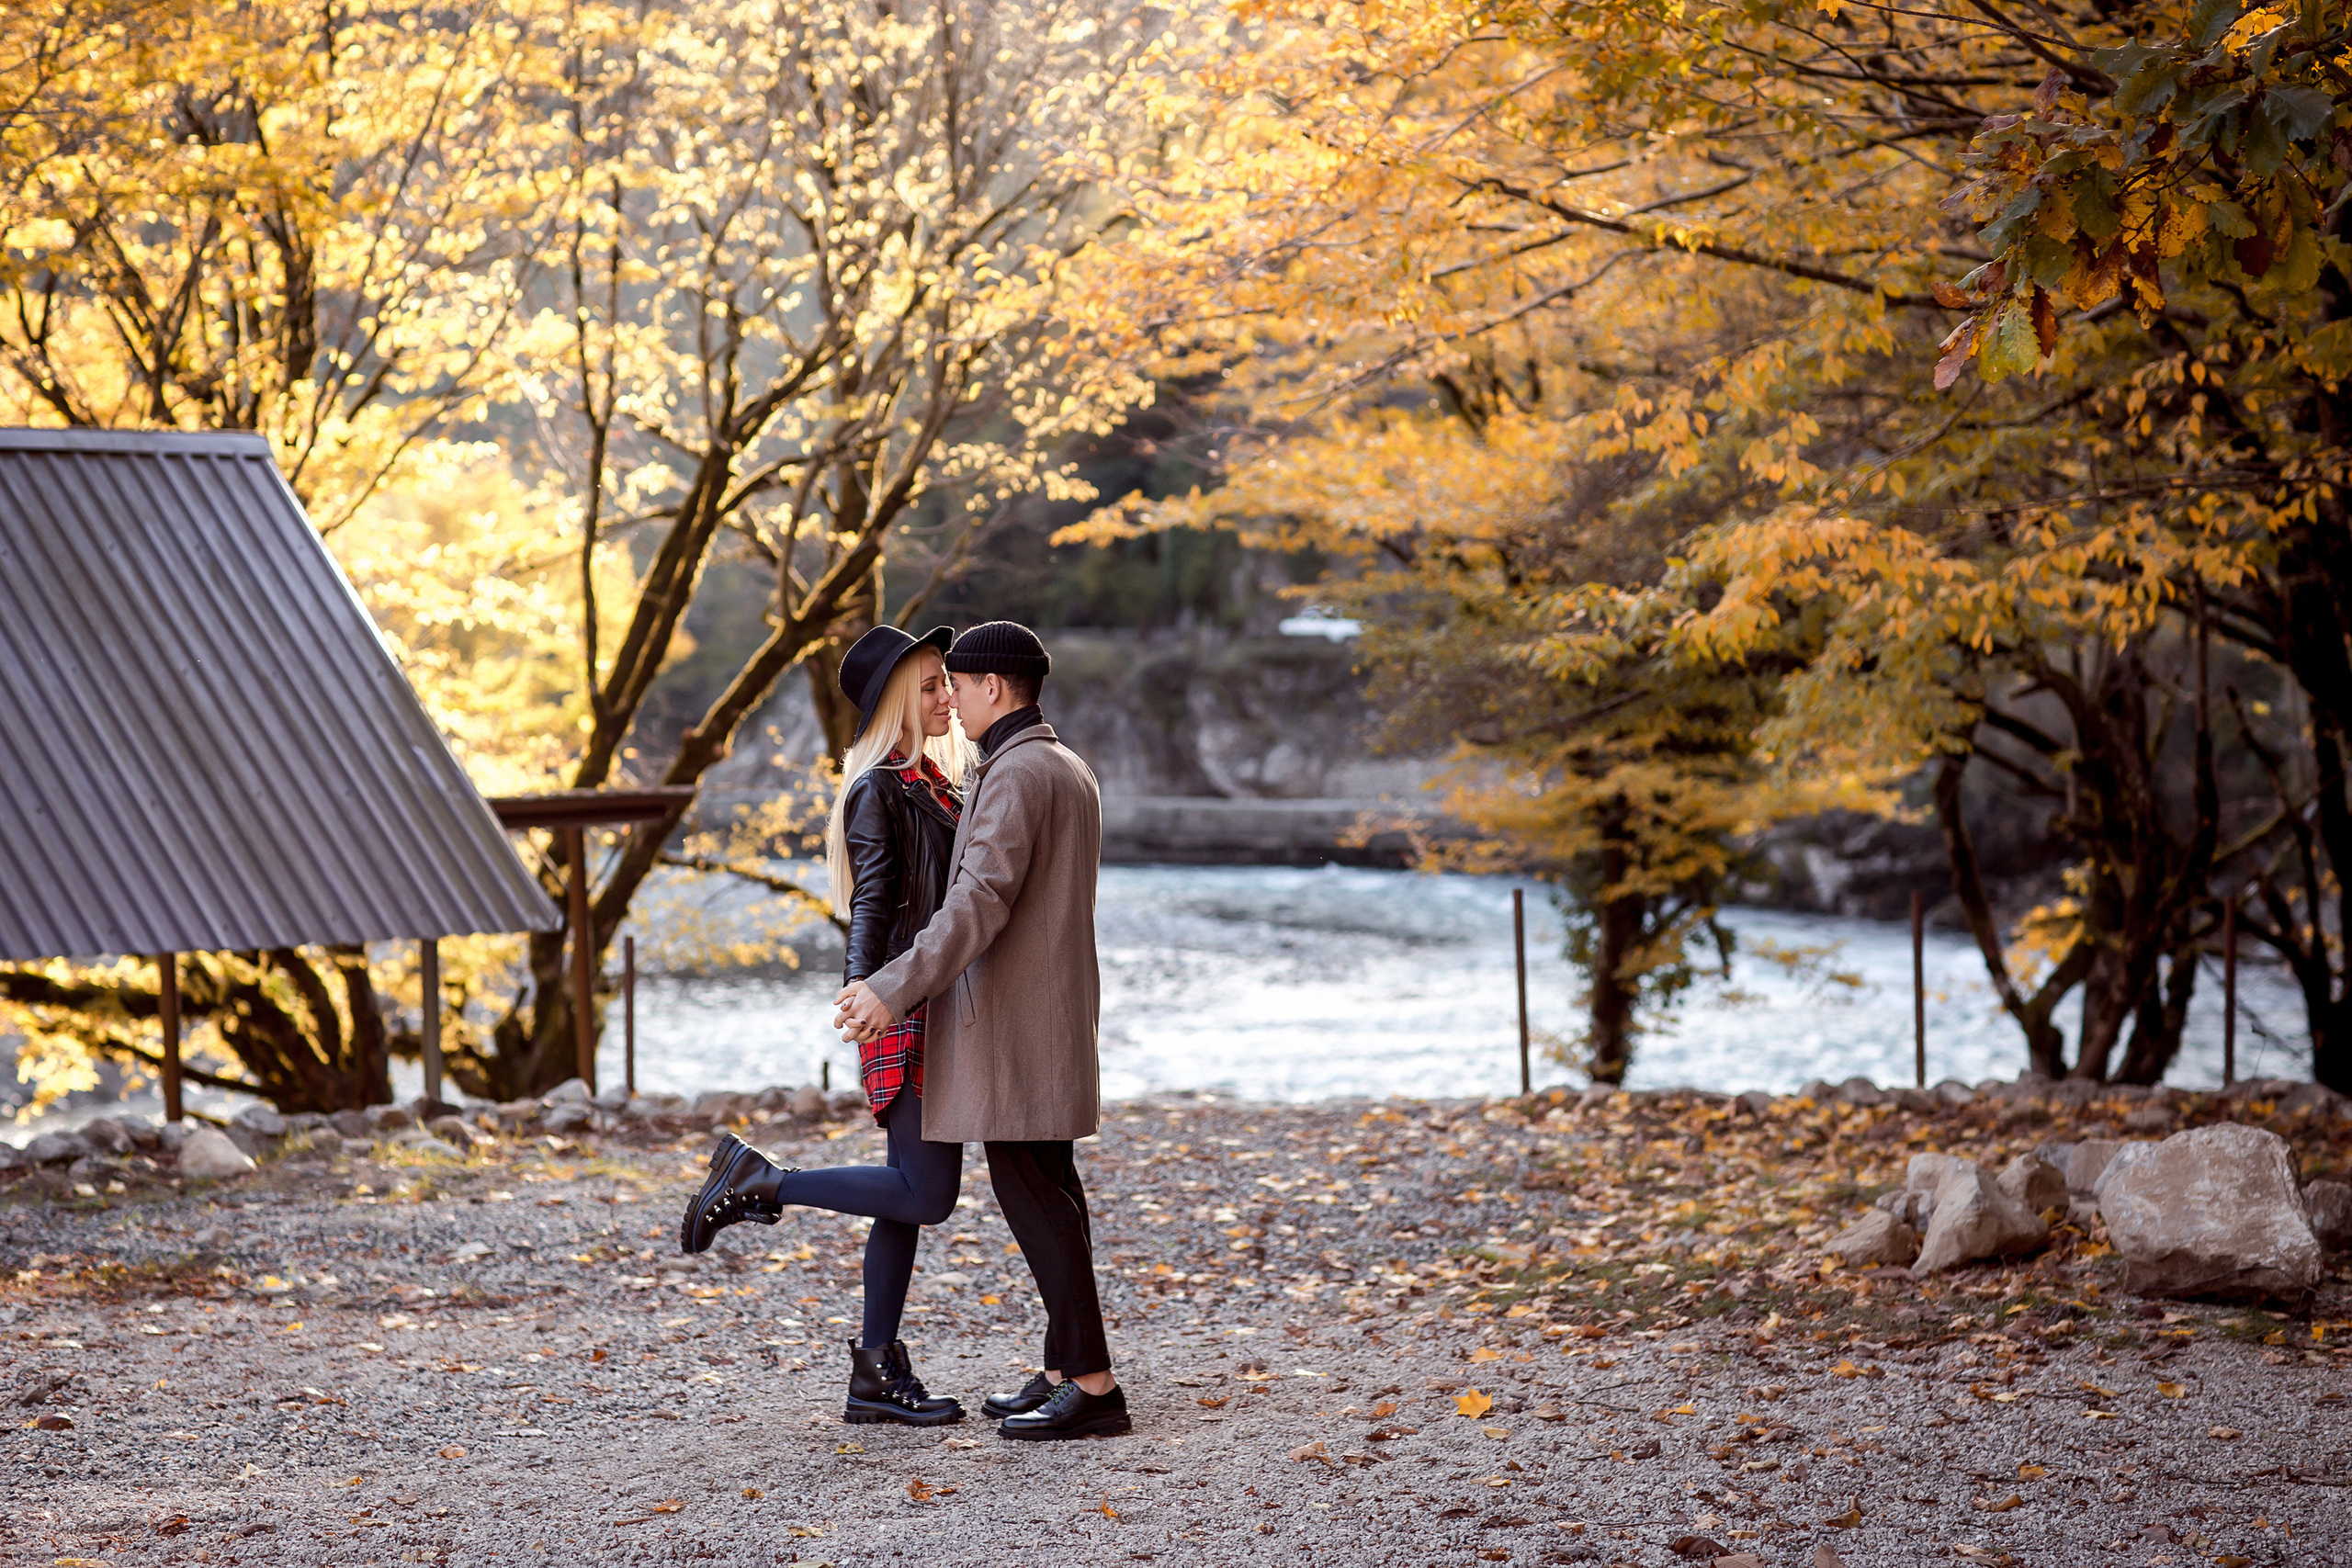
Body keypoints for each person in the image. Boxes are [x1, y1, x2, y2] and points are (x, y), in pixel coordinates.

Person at [832, 620, 1126, 1441]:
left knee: (1037, 1199)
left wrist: (888, 987)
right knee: (1054, 1199)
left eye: (954, 683)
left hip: (1017, 1028)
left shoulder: (1014, 773)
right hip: (1048, 1019)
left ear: (992, 687)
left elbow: (976, 904)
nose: (950, 700)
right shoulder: (1062, 765)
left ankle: (1094, 1386)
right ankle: (1069, 1366)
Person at [677, 624, 972, 1427]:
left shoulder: (937, 784)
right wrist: (863, 993)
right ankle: (764, 1182)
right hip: (903, 1005)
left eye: (949, 683)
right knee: (928, 1193)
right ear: (894, 707)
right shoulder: (882, 787)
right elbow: (875, 896)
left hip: (926, 1000)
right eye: (932, 687)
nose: (948, 696)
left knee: (903, 1200)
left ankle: (874, 1374)